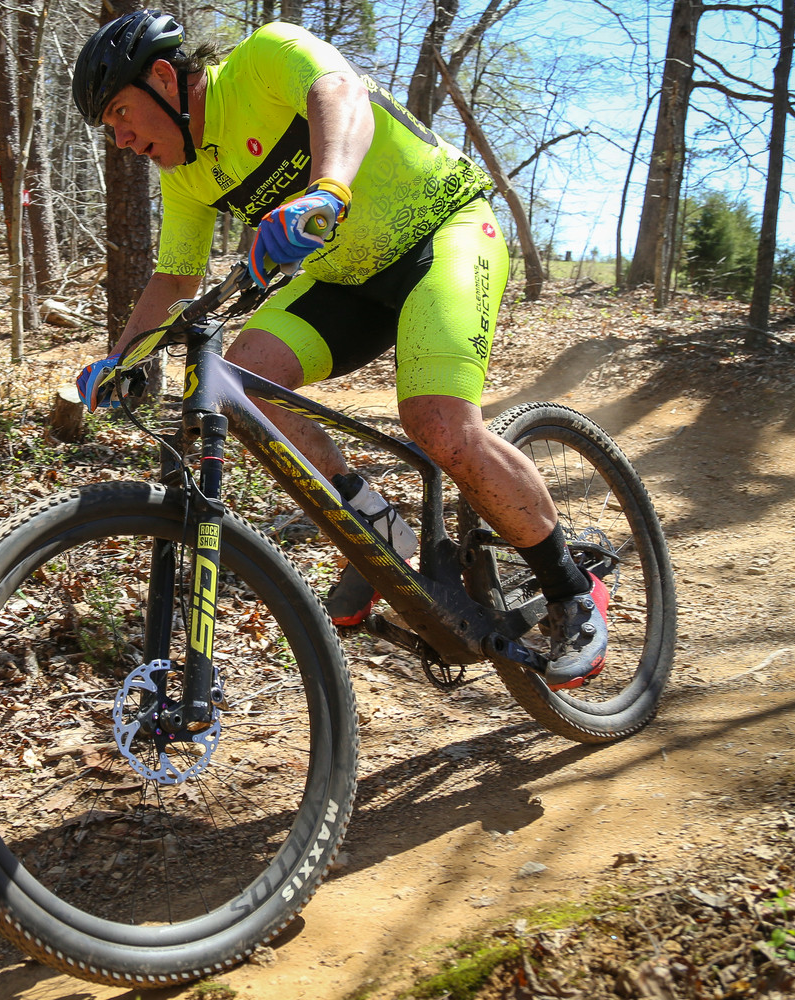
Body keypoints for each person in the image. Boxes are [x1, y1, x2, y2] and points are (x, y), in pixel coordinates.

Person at [70, 11, 609, 690]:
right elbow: (174, 280)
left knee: (440, 425)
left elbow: (341, 93)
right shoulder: (186, 174)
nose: (120, 139)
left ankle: (571, 590)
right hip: (344, 277)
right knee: (244, 383)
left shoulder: (264, 58)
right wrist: (122, 358)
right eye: (109, 127)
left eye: (120, 113)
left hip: (441, 231)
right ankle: (377, 530)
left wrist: (327, 189)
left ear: (163, 77)